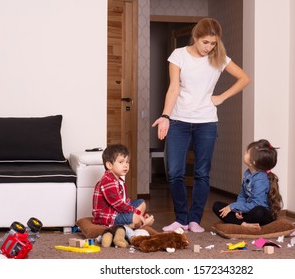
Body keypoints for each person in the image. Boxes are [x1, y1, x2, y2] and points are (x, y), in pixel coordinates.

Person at [152, 18, 250, 233]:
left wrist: (221, 97)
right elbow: (173, 89)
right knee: (175, 171)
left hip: (206, 122)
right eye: (205, 42)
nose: (209, 47)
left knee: (202, 173)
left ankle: (195, 219)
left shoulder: (219, 58)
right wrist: (165, 116)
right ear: (195, 37)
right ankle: (181, 219)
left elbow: (244, 78)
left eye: (213, 43)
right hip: (178, 120)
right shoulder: (179, 55)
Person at [212, 139, 283, 229]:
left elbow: (256, 204)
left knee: (259, 211)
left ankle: (240, 223)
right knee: (217, 206)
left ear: (253, 162)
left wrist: (233, 206)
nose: (244, 153)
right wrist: (238, 210)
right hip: (247, 211)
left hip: (260, 213)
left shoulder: (260, 179)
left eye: (247, 153)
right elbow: (242, 196)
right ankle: (244, 224)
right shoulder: (248, 174)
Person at [92, 144, 154, 228]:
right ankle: (141, 223)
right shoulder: (108, 181)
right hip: (108, 216)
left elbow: (126, 201)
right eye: (121, 162)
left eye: (127, 162)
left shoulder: (120, 181)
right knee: (135, 217)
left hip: (118, 211)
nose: (126, 165)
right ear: (109, 165)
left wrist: (142, 213)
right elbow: (119, 204)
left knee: (142, 203)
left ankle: (137, 222)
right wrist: (138, 214)